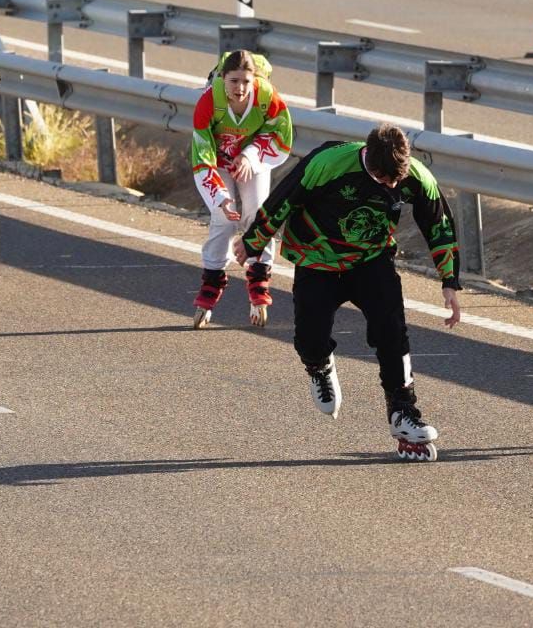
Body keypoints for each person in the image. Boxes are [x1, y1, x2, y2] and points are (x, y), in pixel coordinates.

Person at [234, 123, 463, 462]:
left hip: (370, 260)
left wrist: (449, 282)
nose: (392, 187)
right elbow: (284, 199)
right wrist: (253, 241)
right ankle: (318, 366)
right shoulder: (328, 163)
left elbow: (438, 223)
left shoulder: (414, 176)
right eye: (385, 181)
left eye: (396, 181)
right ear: (370, 161)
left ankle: (403, 410)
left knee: (392, 330)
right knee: (310, 338)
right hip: (317, 260)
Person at [189, 49, 292, 329]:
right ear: (223, 79)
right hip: (218, 160)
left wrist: (250, 156)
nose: (240, 89)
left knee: (257, 215)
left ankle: (259, 280)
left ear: (254, 79)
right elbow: (202, 155)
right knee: (224, 219)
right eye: (234, 81)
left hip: (251, 158)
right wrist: (220, 197)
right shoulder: (208, 101)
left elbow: (280, 135)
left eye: (246, 82)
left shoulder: (267, 97)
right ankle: (211, 283)